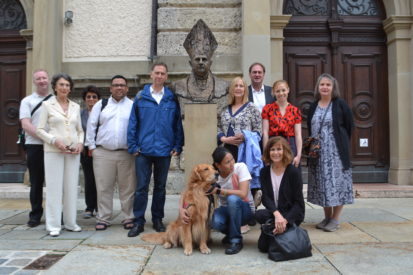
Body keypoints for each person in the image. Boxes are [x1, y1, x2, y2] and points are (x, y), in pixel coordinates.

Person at [127, 62, 184, 237]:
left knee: (160, 187)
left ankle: (158, 219)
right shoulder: (141, 97)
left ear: (166, 77)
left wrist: (177, 145)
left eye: (163, 74)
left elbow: (177, 124)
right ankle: (138, 221)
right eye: (157, 73)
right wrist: (133, 146)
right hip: (143, 151)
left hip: (163, 151)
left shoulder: (171, 99)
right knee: (141, 188)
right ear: (151, 74)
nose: (159, 76)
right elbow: (133, 123)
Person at [85, 75, 136, 231]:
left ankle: (128, 216)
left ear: (127, 88)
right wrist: (91, 147)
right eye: (116, 85)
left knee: (128, 187)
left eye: (122, 85)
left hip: (126, 153)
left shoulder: (133, 105)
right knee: (103, 187)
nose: (119, 87)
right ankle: (103, 218)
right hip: (103, 153)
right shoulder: (101, 104)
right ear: (110, 88)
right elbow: (91, 125)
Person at [36, 73, 84, 237]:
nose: (64, 88)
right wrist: (54, 140)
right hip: (53, 152)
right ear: (55, 87)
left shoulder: (76, 106)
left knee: (71, 187)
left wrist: (80, 143)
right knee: (54, 188)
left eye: (67, 85)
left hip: (72, 152)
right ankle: (53, 225)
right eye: (61, 85)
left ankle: (70, 222)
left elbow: (80, 130)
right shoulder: (47, 105)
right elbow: (40, 130)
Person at [307, 73, 354, 232]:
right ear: (318, 87)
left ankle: (335, 219)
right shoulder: (314, 105)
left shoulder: (340, 104)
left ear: (333, 88)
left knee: (337, 184)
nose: (325, 87)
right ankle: (327, 217)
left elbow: (349, 126)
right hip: (318, 154)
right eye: (322, 84)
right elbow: (310, 126)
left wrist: (340, 144)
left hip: (336, 154)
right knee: (322, 184)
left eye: (328, 85)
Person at [173, 19, 229, 116]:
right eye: (197, 59)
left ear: (210, 63)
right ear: (190, 63)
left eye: (204, 59)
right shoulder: (177, 87)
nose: (201, 62)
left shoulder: (224, 86)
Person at [19, 69, 51, 227]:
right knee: (36, 182)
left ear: (49, 80)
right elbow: (26, 124)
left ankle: (54, 214)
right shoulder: (27, 101)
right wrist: (47, 138)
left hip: (53, 147)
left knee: (54, 182)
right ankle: (35, 215)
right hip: (35, 146)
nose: (42, 81)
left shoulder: (55, 100)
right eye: (38, 78)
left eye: (44, 78)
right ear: (34, 81)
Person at [255, 136, 305, 237]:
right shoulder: (264, 172)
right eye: (272, 149)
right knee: (258, 215)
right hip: (275, 213)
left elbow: (298, 203)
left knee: (269, 243)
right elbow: (266, 198)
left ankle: (280, 227)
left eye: (279, 149)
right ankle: (278, 228)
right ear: (268, 152)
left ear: (285, 151)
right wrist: (277, 215)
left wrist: (284, 221)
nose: (275, 153)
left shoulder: (293, 172)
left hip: (291, 213)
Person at [209, 147, 255, 255]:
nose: (232, 164)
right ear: (218, 165)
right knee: (215, 222)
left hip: (245, 209)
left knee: (233, 199)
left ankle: (236, 241)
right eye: (227, 162)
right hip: (226, 210)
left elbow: (243, 194)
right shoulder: (215, 177)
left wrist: (220, 191)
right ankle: (231, 233)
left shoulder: (240, 167)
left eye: (232, 159)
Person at [262, 80, 303, 168]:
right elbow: (265, 133)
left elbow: (298, 134)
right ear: (273, 92)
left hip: (290, 144)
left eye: (283, 90)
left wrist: (299, 154)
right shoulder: (267, 109)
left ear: (288, 90)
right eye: (278, 91)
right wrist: (266, 153)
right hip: (273, 144)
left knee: (291, 174)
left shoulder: (295, 110)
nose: (281, 93)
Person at [80, 85, 101, 219]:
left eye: (94, 97)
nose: (91, 99)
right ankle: (89, 207)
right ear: (84, 99)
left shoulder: (102, 112)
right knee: (89, 179)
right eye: (88, 97)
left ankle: (100, 207)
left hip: (100, 149)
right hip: (85, 150)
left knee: (100, 179)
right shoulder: (80, 114)